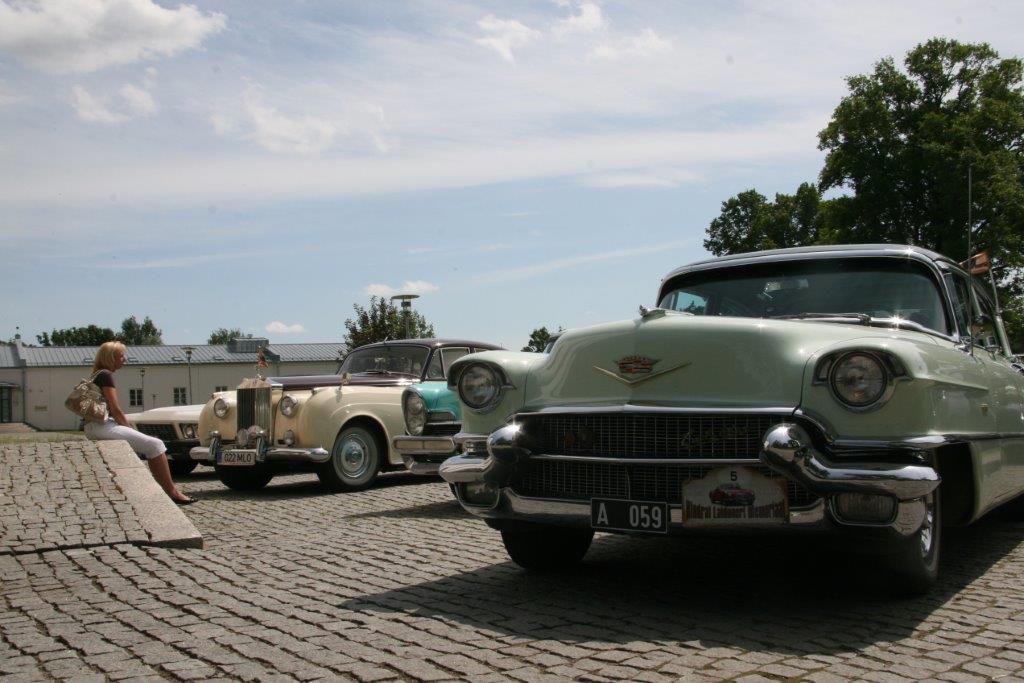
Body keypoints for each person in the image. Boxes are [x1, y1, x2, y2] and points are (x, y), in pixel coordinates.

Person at [84, 341, 196, 505]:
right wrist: (128, 428)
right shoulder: (105, 375)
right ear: (111, 358)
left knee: (152, 445)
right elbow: (116, 409)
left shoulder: (96, 374)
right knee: (155, 445)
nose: (125, 359)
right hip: (101, 426)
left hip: (94, 426)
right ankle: (172, 493)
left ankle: (167, 491)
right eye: (121, 356)